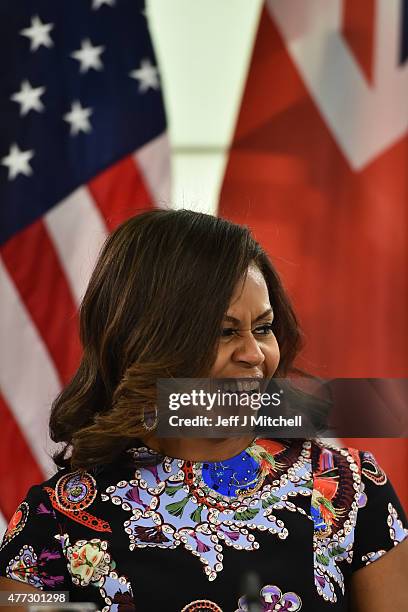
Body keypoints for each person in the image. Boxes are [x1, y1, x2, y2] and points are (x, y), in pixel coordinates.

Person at [0, 209, 407, 612]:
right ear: (148, 343)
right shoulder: (55, 521)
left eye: (263, 328)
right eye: (224, 332)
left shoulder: (348, 489)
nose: (253, 354)